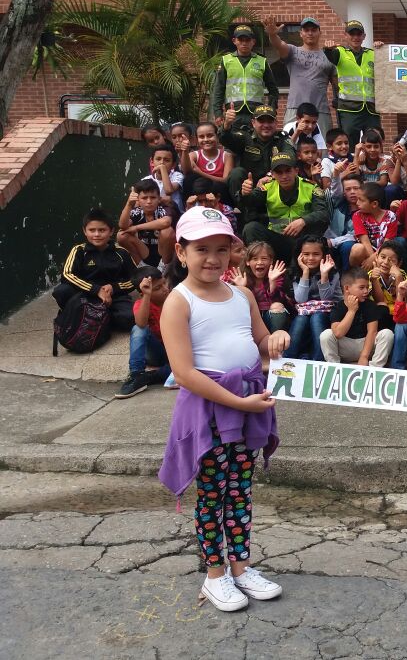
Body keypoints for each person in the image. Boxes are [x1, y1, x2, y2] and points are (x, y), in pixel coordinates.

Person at [157, 205, 288, 612]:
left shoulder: (242, 295)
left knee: (240, 491)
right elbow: (184, 373)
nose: (212, 258)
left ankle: (242, 568)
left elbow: (261, 339)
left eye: (221, 248)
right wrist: (238, 402)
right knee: (213, 495)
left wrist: (276, 338)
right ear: (181, 252)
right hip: (210, 411)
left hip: (247, 406)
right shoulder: (178, 302)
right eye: (201, 249)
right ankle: (215, 576)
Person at [55, 208, 136, 332]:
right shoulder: (79, 251)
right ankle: (81, 315)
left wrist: (114, 288)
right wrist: (96, 290)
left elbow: (135, 278)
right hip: (86, 295)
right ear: (85, 231)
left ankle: (99, 318)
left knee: (131, 318)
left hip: (114, 297)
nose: (97, 234)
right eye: (92, 230)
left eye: (102, 230)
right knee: (61, 291)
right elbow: (67, 275)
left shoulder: (121, 252)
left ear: (111, 231)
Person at [240, 152, 330, 263]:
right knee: (251, 228)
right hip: (277, 240)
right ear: (272, 174)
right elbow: (250, 202)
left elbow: (323, 213)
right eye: (279, 172)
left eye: (288, 171)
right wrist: (245, 193)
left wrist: (303, 221)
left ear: (296, 171)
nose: (284, 176)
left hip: (304, 241)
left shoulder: (311, 187)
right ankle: (261, 265)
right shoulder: (267, 187)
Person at [262, 15, 335, 136]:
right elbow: (279, 44)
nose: (310, 33)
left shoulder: (329, 55)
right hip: (295, 108)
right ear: (301, 33)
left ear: (320, 33)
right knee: (290, 143)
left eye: (313, 30)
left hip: (320, 110)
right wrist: (272, 34)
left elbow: (337, 84)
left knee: (321, 145)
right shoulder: (293, 51)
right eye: (306, 30)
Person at [114, 266, 172, 399]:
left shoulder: (176, 298)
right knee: (138, 329)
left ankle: (150, 377)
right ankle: (136, 374)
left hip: (177, 353)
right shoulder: (142, 303)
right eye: (157, 288)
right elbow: (141, 323)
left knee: (190, 368)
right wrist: (147, 295)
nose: (165, 289)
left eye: (164, 283)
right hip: (156, 353)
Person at [221, 104, 296, 205]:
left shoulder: (283, 139)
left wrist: (270, 176)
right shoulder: (244, 137)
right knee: (236, 173)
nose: (266, 125)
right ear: (253, 123)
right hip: (248, 187)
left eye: (270, 121)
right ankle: (243, 209)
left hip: (273, 185)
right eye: (261, 121)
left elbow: (290, 159)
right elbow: (225, 140)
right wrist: (226, 125)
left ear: (276, 123)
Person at [319, 268, 393, 367]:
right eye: (361, 288)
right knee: (326, 335)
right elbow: (338, 333)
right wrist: (351, 311)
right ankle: (335, 367)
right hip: (345, 347)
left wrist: (364, 356)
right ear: (347, 288)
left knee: (387, 334)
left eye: (367, 287)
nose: (366, 291)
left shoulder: (370, 305)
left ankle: (375, 368)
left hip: (366, 345)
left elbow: (372, 332)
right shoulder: (338, 307)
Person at [210, 24, 279, 130]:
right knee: (231, 138)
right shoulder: (226, 60)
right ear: (234, 41)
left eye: (247, 40)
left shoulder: (262, 61)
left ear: (253, 42)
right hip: (233, 112)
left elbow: (273, 89)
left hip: (256, 113)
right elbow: (219, 88)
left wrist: (271, 110)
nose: (244, 43)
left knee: (255, 140)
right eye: (240, 40)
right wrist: (218, 113)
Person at [284, 235, 340, 362]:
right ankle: (287, 359)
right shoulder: (295, 272)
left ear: (323, 255)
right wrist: (305, 272)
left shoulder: (332, 271)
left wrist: (324, 275)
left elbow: (326, 298)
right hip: (304, 312)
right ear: (299, 255)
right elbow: (300, 300)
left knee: (317, 317)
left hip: (328, 312)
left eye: (316, 254)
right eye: (306, 254)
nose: (310, 258)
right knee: (300, 319)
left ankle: (318, 360)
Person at [331, 20, 380, 144]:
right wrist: (328, 48)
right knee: (349, 144)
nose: (355, 37)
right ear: (345, 35)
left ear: (364, 36)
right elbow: (330, 55)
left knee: (374, 142)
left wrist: (381, 49)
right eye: (352, 34)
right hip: (349, 110)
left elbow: (387, 65)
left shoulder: (372, 54)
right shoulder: (339, 52)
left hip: (370, 109)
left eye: (359, 34)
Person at [231, 241, 291, 333]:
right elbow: (238, 308)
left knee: (277, 306)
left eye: (264, 258)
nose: (259, 262)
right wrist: (242, 288)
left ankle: (273, 340)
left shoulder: (277, 275)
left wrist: (272, 282)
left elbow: (281, 301)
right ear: (247, 262)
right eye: (255, 259)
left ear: (271, 261)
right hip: (253, 320)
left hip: (273, 319)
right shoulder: (241, 278)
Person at [118, 180, 174, 267]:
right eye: (144, 198)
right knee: (121, 235)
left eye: (153, 197)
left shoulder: (164, 209)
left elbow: (166, 222)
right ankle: (141, 266)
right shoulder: (137, 211)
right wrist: (129, 204)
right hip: (144, 251)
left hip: (163, 251)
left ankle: (164, 266)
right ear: (138, 200)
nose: (149, 201)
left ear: (159, 199)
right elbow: (122, 225)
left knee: (167, 231)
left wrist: (136, 227)